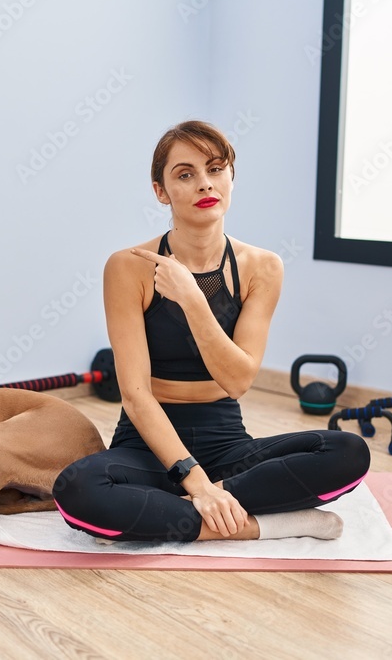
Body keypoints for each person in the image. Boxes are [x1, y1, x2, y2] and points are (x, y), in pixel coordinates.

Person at [52, 121, 370, 542]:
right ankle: (260, 526)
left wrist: (193, 300)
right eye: (185, 174)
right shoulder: (128, 267)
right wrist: (196, 485)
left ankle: (179, 514)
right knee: (77, 490)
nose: (205, 184)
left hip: (226, 443)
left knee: (347, 452)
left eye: (216, 169)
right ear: (161, 191)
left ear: (231, 178)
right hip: (147, 444)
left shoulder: (262, 267)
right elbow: (135, 393)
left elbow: (237, 380)